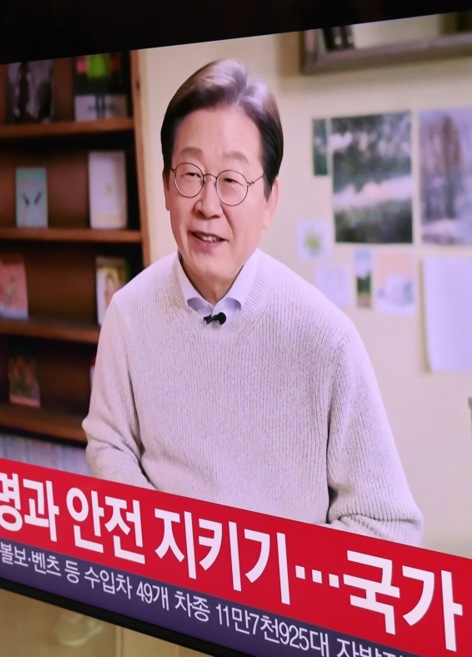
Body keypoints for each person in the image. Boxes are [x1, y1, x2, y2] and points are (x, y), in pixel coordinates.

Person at [83, 59, 423, 545]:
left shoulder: (326, 338)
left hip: (281, 610)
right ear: (164, 186)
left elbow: (390, 525)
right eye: (191, 174)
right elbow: (109, 443)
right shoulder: (129, 312)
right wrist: (170, 546)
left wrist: (262, 575)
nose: (207, 205)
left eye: (231, 180)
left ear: (269, 201)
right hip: (167, 593)